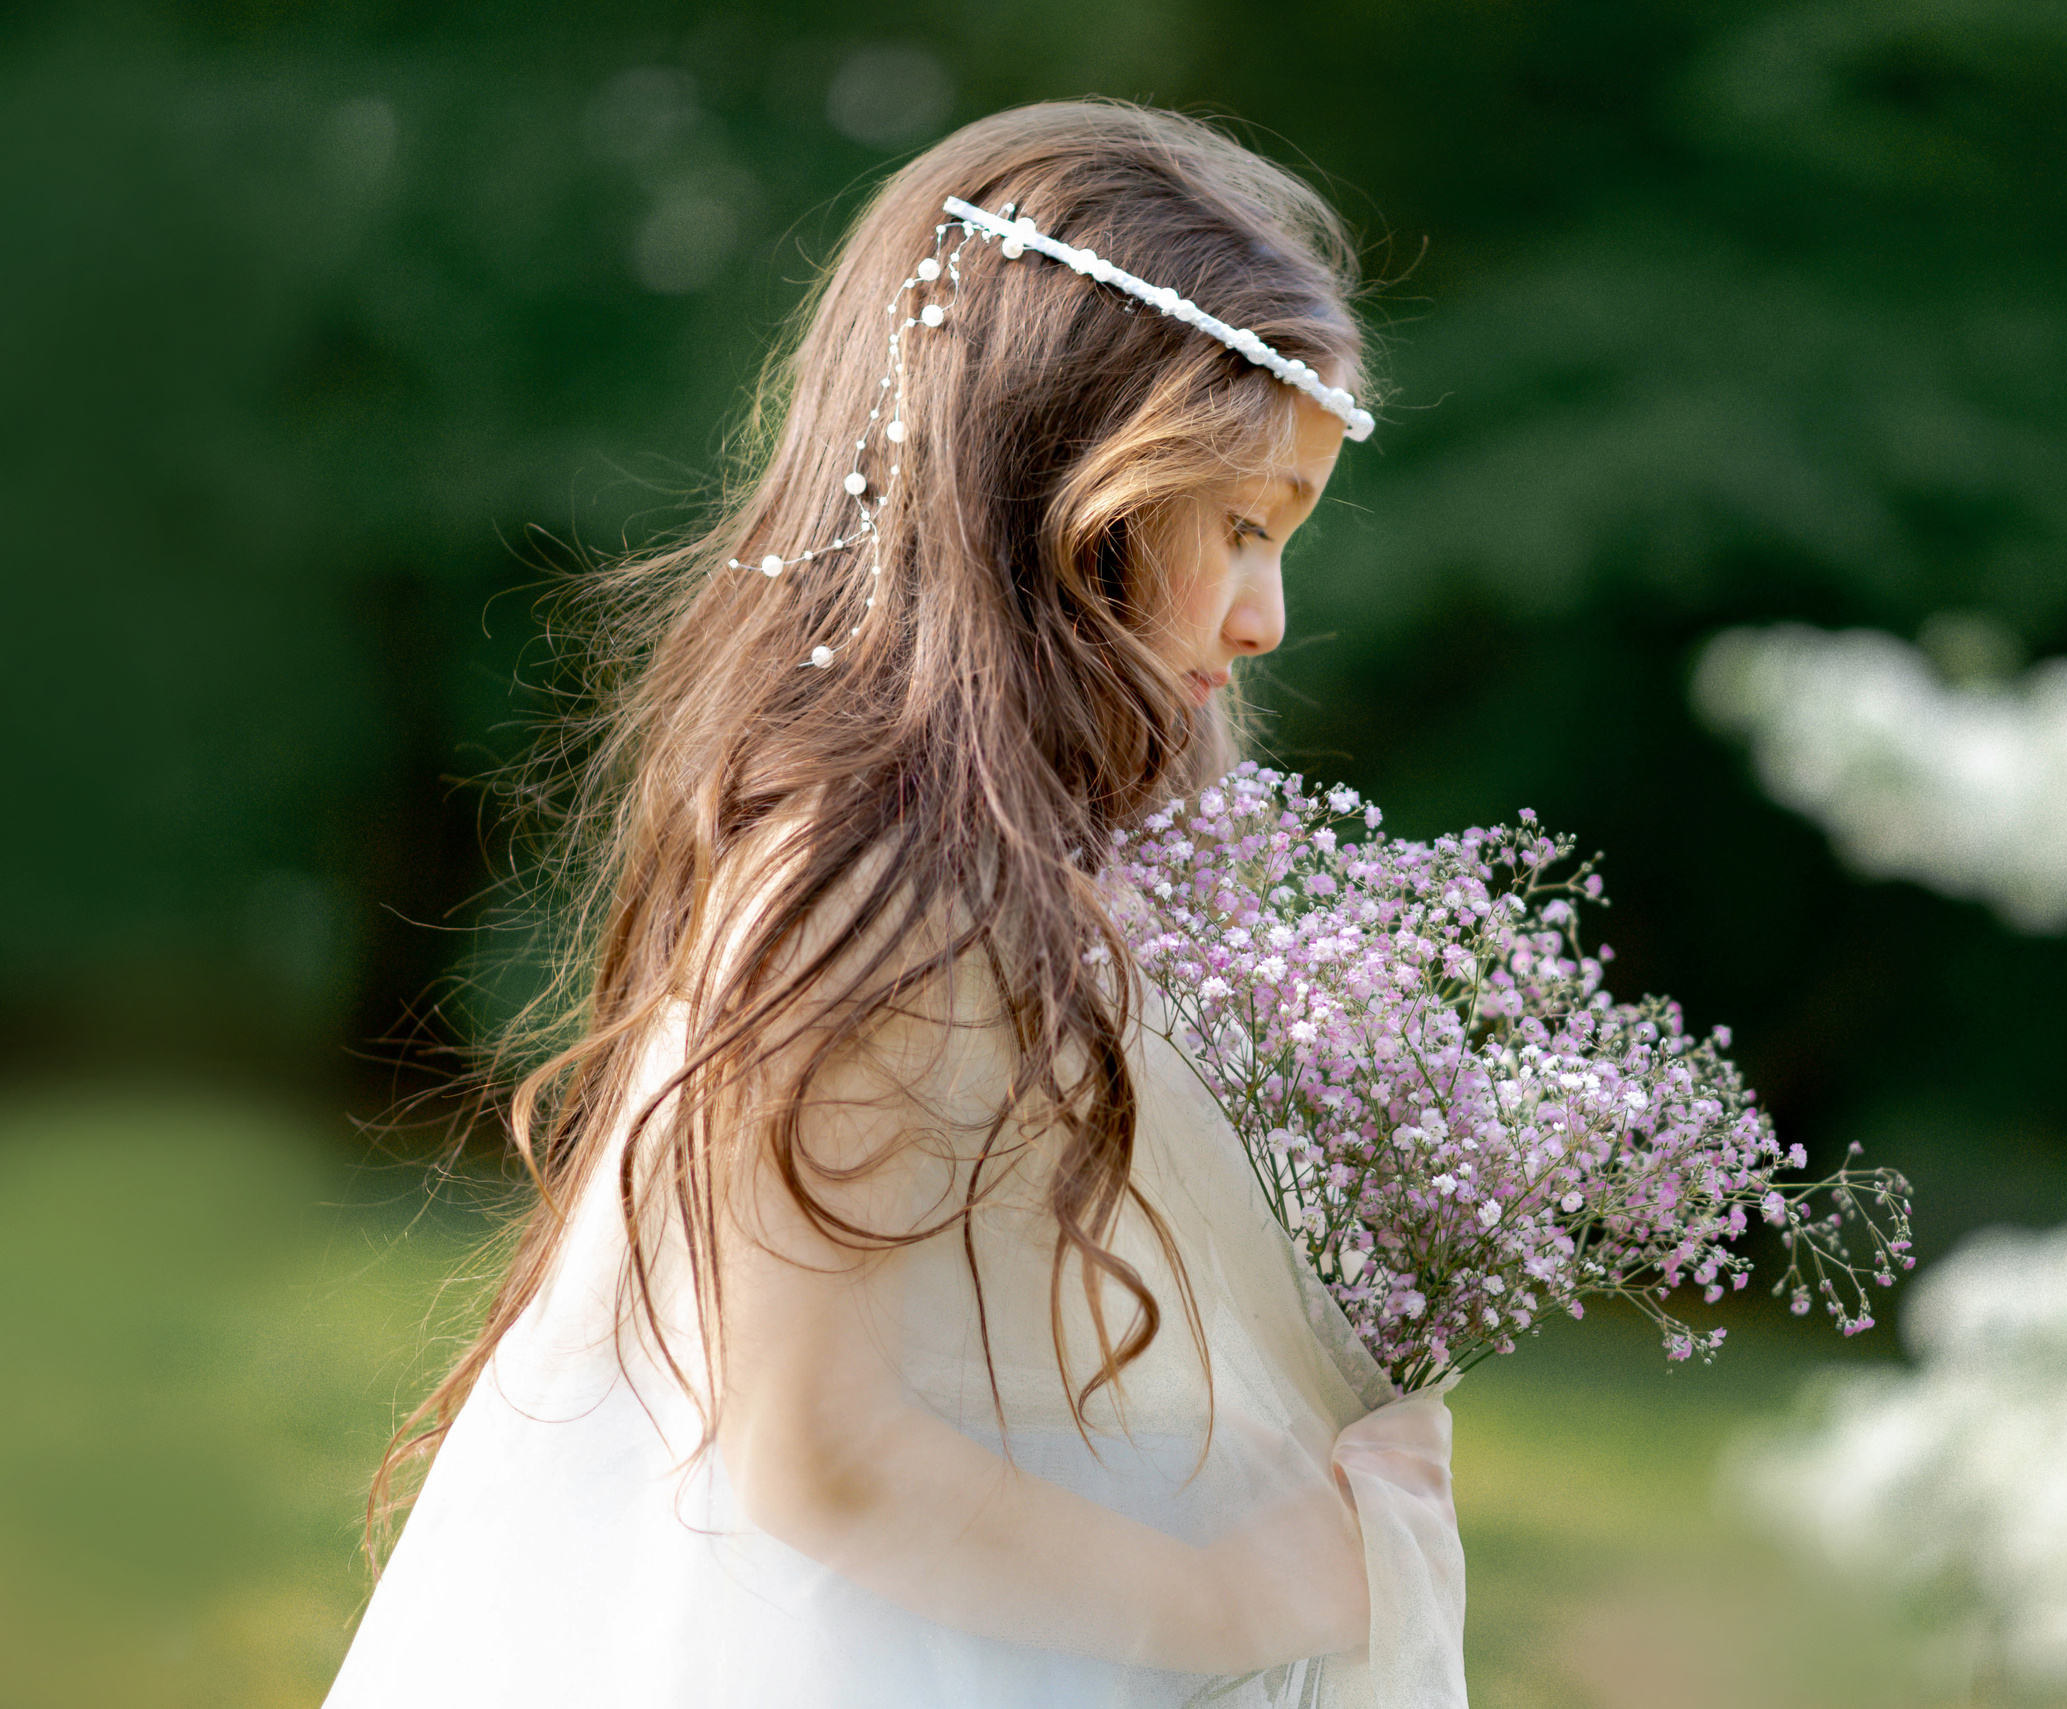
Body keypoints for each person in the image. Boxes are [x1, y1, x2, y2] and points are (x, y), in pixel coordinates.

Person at [327, 101, 1466, 1708]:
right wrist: (1222, 1593)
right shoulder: (868, 883)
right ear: (1069, 487)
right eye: (1243, 527)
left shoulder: (1040, 871)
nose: (1270, 617)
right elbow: (818, 1439)